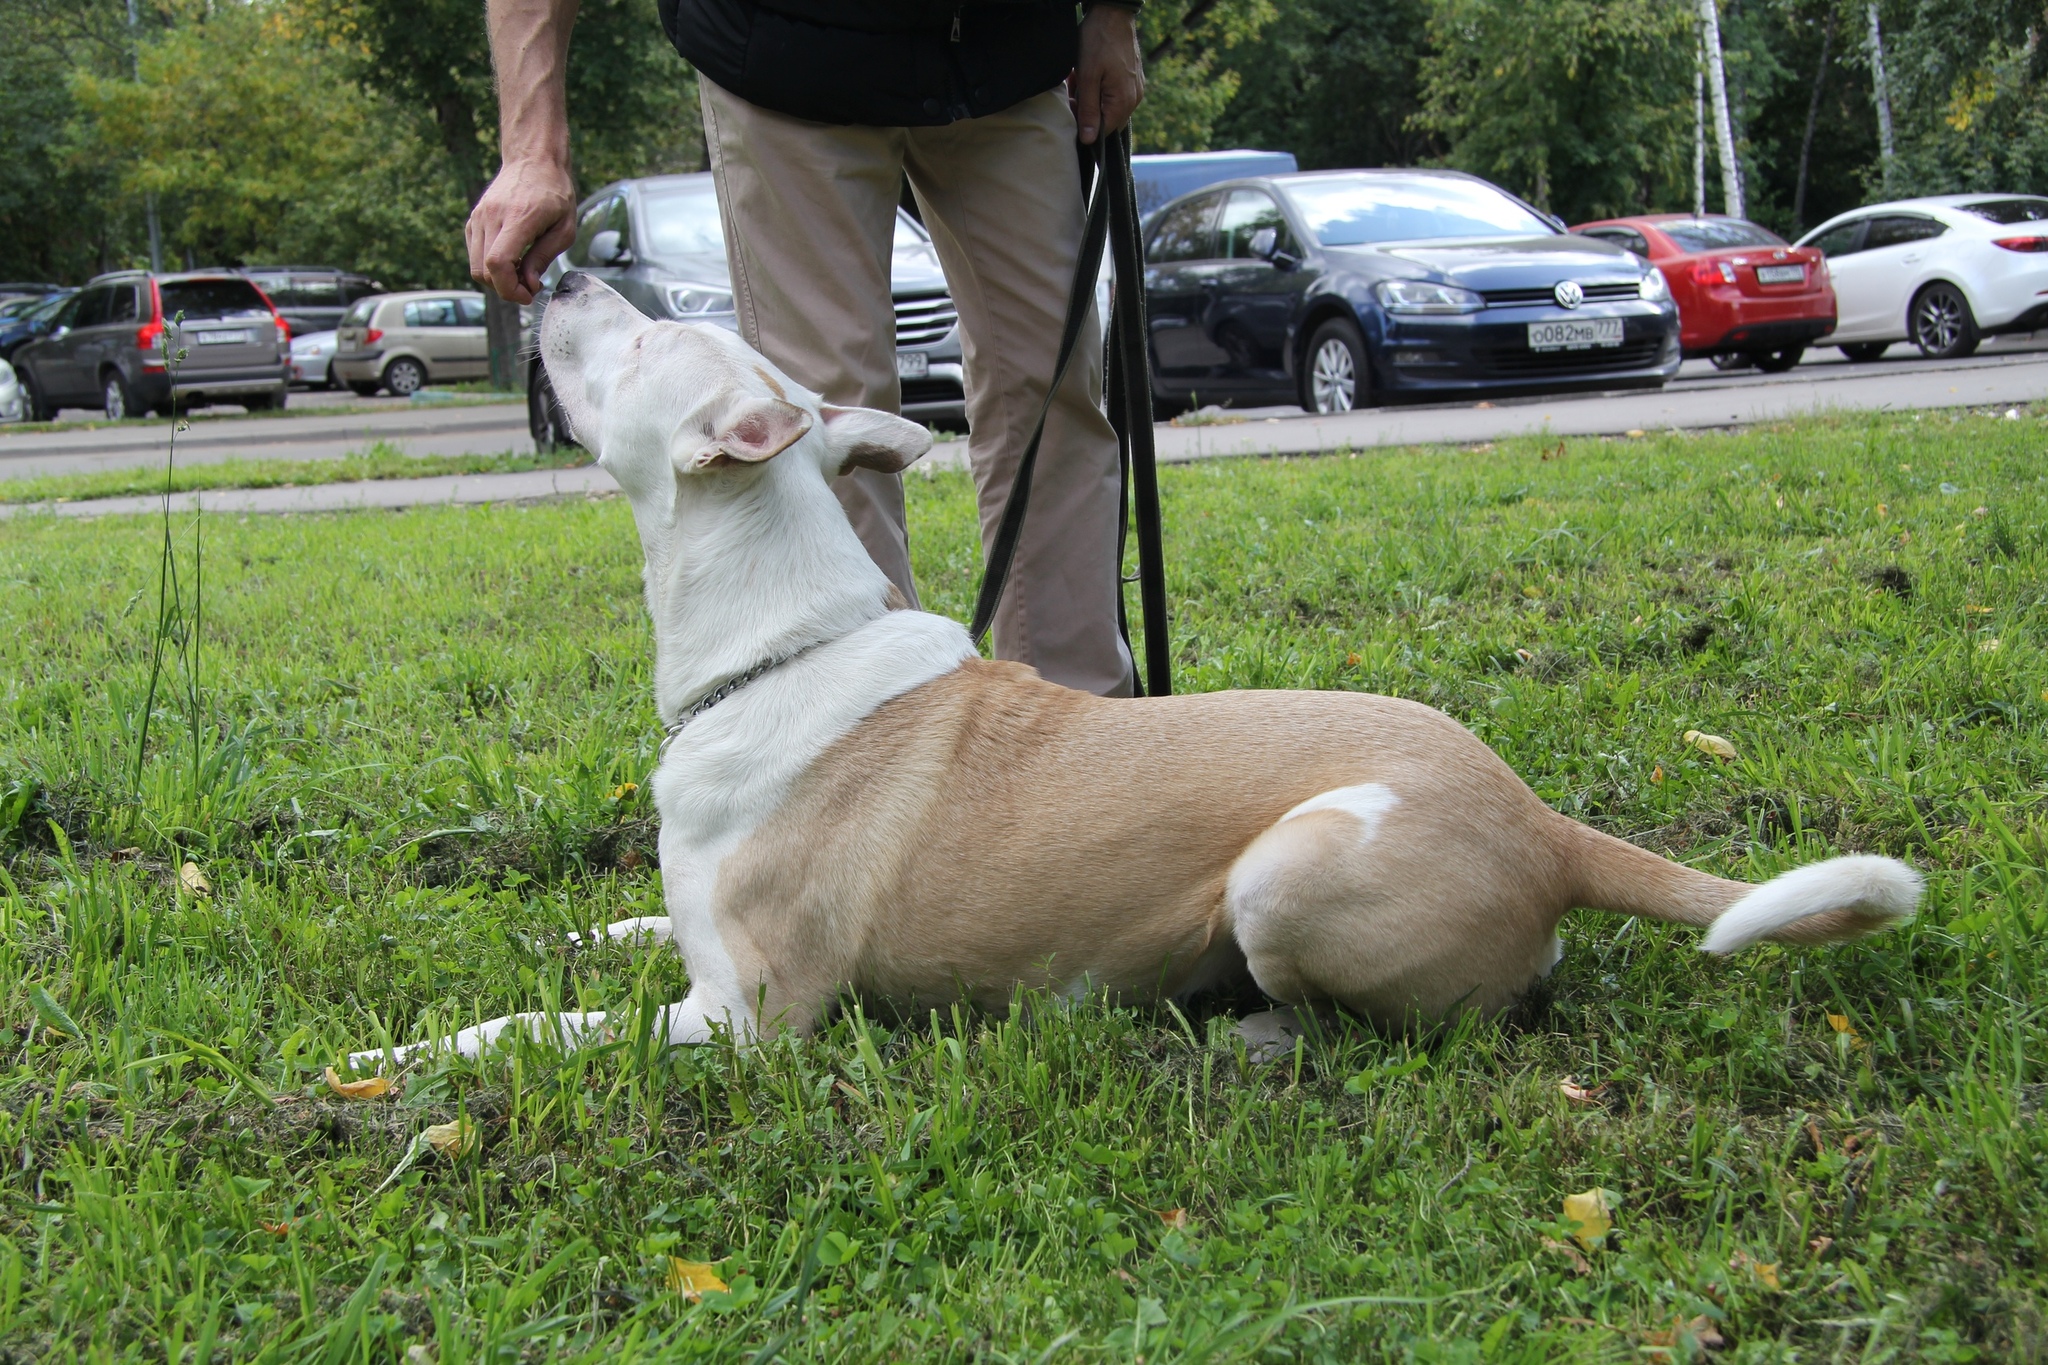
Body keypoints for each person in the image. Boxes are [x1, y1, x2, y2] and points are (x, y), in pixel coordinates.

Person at [468, 0, 1148, 697]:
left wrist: (1113, 11)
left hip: (1008, 52)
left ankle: (1081, 736)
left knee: (1054, 397)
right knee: (824, 415)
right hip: (786, 57)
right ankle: (881, 736)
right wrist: (531, 148)